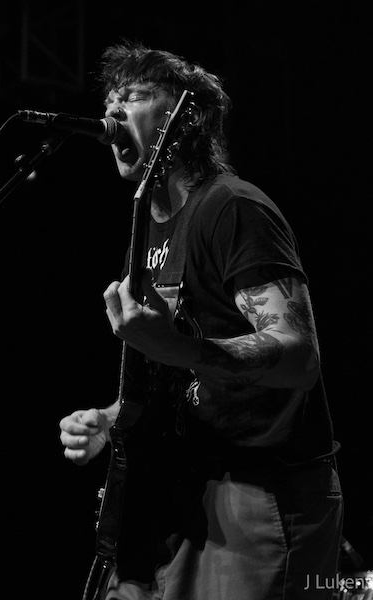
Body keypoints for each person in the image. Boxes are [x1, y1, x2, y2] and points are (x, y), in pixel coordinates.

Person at [58, 40, 342, 600]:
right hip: (182, 492)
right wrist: (110, 419)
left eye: (133, 95)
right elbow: (171, 374)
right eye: (110, 97)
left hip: (258, 490)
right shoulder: (147, 232)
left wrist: (179, 348)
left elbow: (299, 356)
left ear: (184, 119)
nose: (112, 109)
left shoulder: (232, 207)